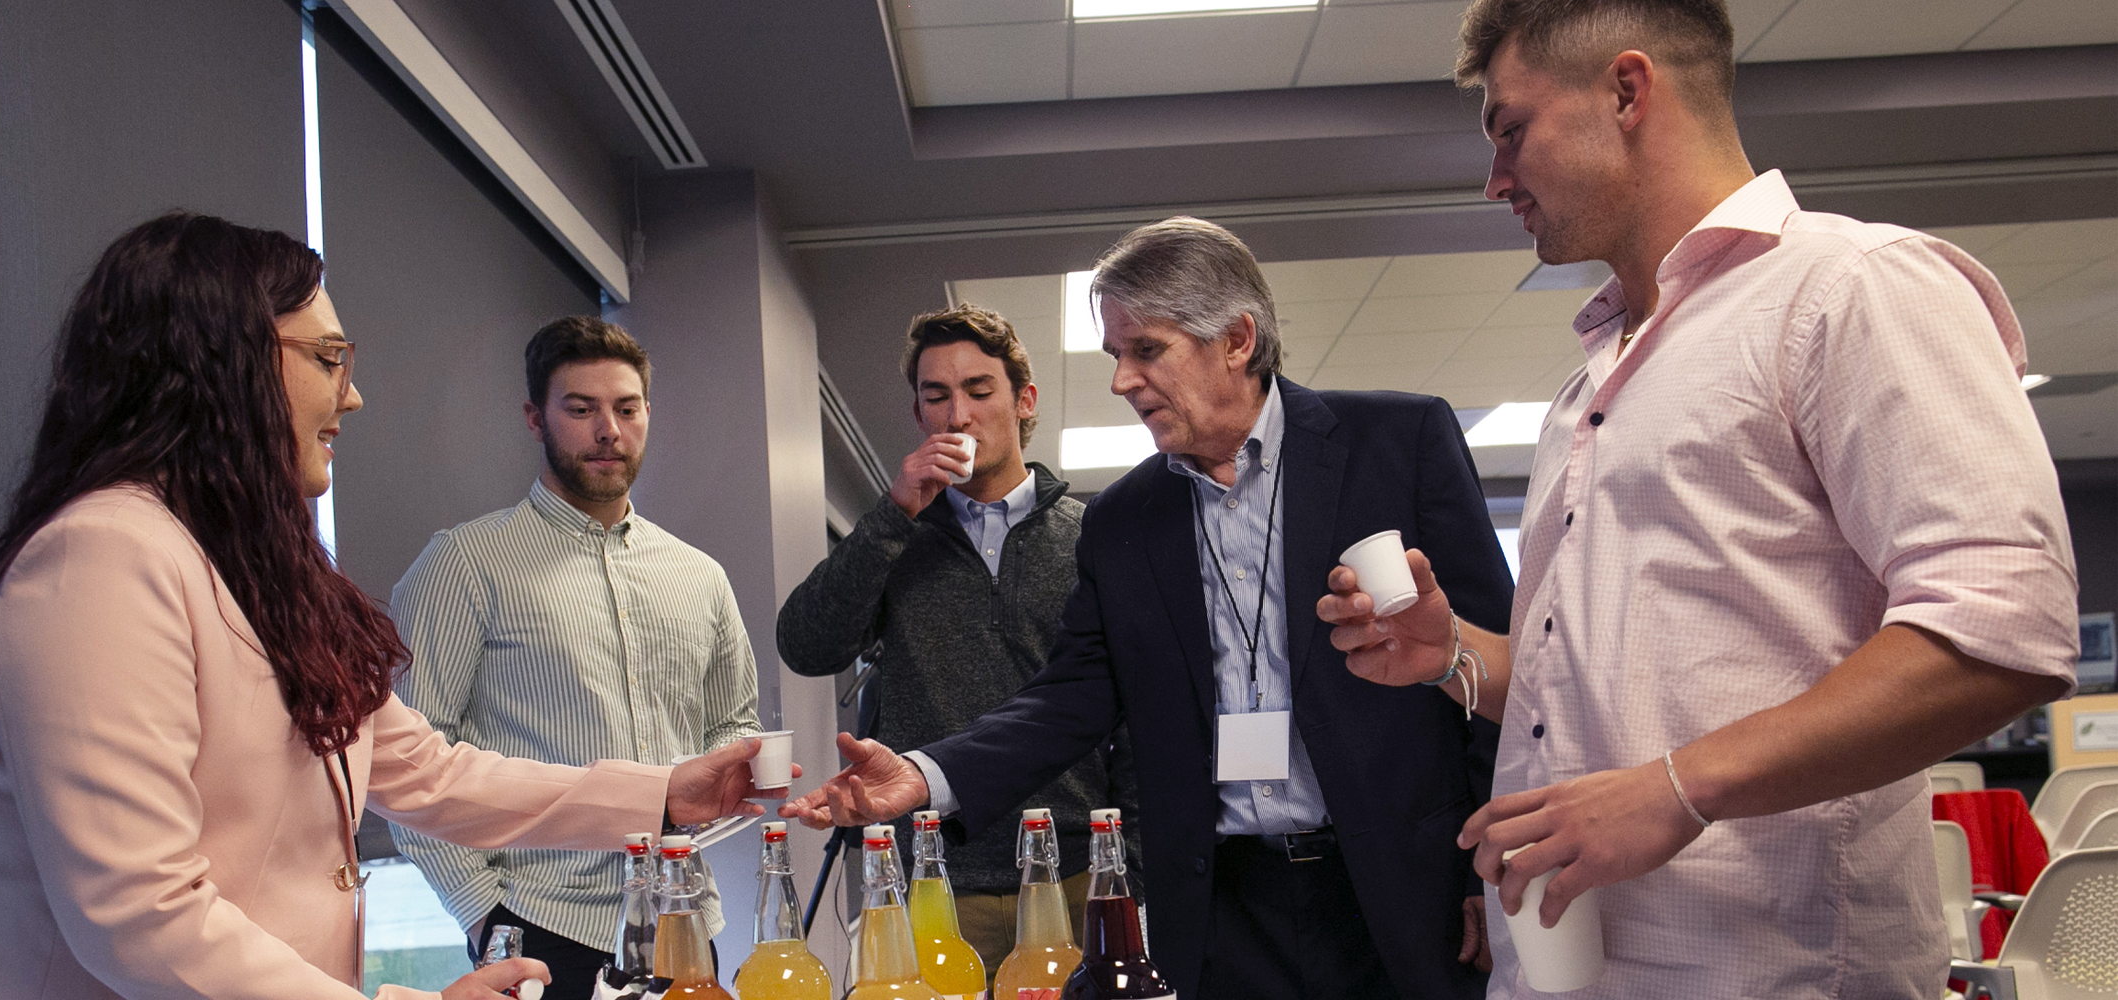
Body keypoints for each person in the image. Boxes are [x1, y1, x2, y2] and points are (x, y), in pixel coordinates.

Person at [1316, 2, 2080, 997]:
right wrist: (1450, 655)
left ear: (1627, 91)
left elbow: (2001, 628)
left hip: (1769, 971)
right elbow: (1592, 699)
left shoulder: (1849, 287)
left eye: (1511, 132)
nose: (1496, 179)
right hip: (1569, 970)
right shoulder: (1589, 385)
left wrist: (1680, 787)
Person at [0, 213, 782, 1000]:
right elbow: (139, 915)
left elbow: (433, 774)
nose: (353, 396)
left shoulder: (259, 573)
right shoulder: (100, 558)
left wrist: (667, 791)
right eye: (329, 360)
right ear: (220, 361)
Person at [786, 217, 1516, 1000]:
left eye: (1146, 350)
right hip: (1224, 910)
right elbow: (1069, 698)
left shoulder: (1397, 442)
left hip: (1403, 890)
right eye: (1114, 356)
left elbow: (1489, 656)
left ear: (1236, 340)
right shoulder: (1125, 519)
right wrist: (927, 774)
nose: (1122, 381)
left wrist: (1488, 862)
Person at [388, 316, 763, 998]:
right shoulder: (464, 564)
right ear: (536, 418)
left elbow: (731, 727)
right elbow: (410, 762)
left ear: (648, 414)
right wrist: (484, 913)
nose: (607, 432)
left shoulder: (700, 576)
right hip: (539, 928)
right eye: (581, 409)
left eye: (625, 409)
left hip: (685, 926)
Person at [775, 304, 1136, 975]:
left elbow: (1135, 708)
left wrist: (1135, 865)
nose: (958, 416)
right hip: (935, 873)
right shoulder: (895, 536)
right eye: (936, 396)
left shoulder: (1092, 536)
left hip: (1076, 870)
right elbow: (806, 646)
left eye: (978, 390)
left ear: (1023, 400)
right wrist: (892, 513)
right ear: (919, 416)